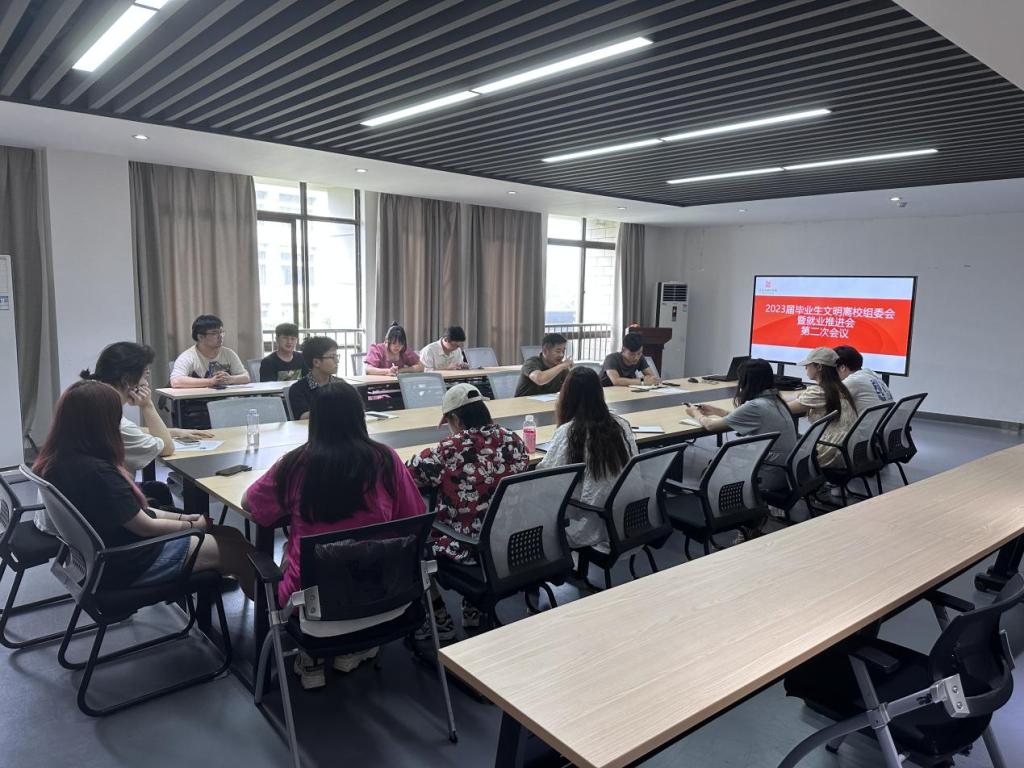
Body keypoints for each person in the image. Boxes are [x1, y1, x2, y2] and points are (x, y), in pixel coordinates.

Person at [242, 381, 425, 687]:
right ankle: (356, 648)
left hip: (313, 605)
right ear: (359, 416)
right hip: (386, 595)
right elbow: (414, 517)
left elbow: (252, 505)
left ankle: (310, 660)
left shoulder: (295, 464)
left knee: (291, 551)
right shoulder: (386, 459)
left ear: (315, 421)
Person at [33, 380, 255, 598]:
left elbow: (136, 512)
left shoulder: (59, 460)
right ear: (103, 423)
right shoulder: (98, 472)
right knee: (239, 553)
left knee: (232, 535)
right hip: (127, 561)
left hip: (100, 556)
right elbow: (145, 526)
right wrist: (192, 525)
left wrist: (184, 518)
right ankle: (269, 613)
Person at [406, 384, 529, 637]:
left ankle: (440, 618)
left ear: (456, 419)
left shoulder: (449, 449)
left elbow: (408, 475)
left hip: (465, 548)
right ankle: (473, 607)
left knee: (412, 548)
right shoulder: (513, 439)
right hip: (510, 542)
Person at [77, 341, 212, 510]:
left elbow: (131, 431)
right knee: (191, 516)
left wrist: (174, 432)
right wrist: (147, 406)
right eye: (145, 376)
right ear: (127, 380)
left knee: (159, 490)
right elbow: (167, 449)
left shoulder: (93, 401)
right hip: (108, 505)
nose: (146, 384)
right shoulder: (114, 420)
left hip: (88, 497)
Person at [537, 367, 638, 548]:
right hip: (629, 518)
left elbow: (548, 479)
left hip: (592, 523)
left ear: (566, 397)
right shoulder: (621, 424)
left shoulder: (570, 432)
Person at [685, 359, 797, 493]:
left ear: (746, 382)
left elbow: (710, 426)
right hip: (784, 471)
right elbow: (743, 417)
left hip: (767, 475)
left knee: (709, 470)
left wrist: (695, 413)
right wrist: (716, 411)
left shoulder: (755, 406)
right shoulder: (775, 399)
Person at [786, 347, 857, 469]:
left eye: (808, 365)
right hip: (847, 449)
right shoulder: (838, 388)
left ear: (819, 367)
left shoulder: (820, 391)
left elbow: (784, 409)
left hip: (829, 451)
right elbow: (800, 396)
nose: (805, 368)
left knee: (781, 455)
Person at [170, 314, 250, 388]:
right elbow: (176, 381)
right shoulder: (188, 356)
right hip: (197, 398)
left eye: (221, 332)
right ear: (200, 337)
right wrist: (211, 381)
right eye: (214, 333)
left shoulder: (229, 353)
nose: (220, 336)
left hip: (224, 397)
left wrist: (231, 379)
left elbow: (246, 377)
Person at [287, 336, 341, 420]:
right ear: (316, 362)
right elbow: (302, 417)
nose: (337, 361)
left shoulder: (341, 385)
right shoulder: (298, 389)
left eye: (337, 356)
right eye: (332, 357)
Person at [834, 345, 893, 412]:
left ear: (842, 368)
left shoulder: (852, 381)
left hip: (872, 418)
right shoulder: (872, 374)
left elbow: (827, 400)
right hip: (885, 418)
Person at [515, 332, 573, 397]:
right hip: (523, 402)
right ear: (545, 351)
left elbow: (571, 385)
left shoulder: (561, 367)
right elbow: (540, 379)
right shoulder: (531, 362)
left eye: (563, 351)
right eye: (558, 351)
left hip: (548, 402)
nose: (561, 355)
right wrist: (562, 366)